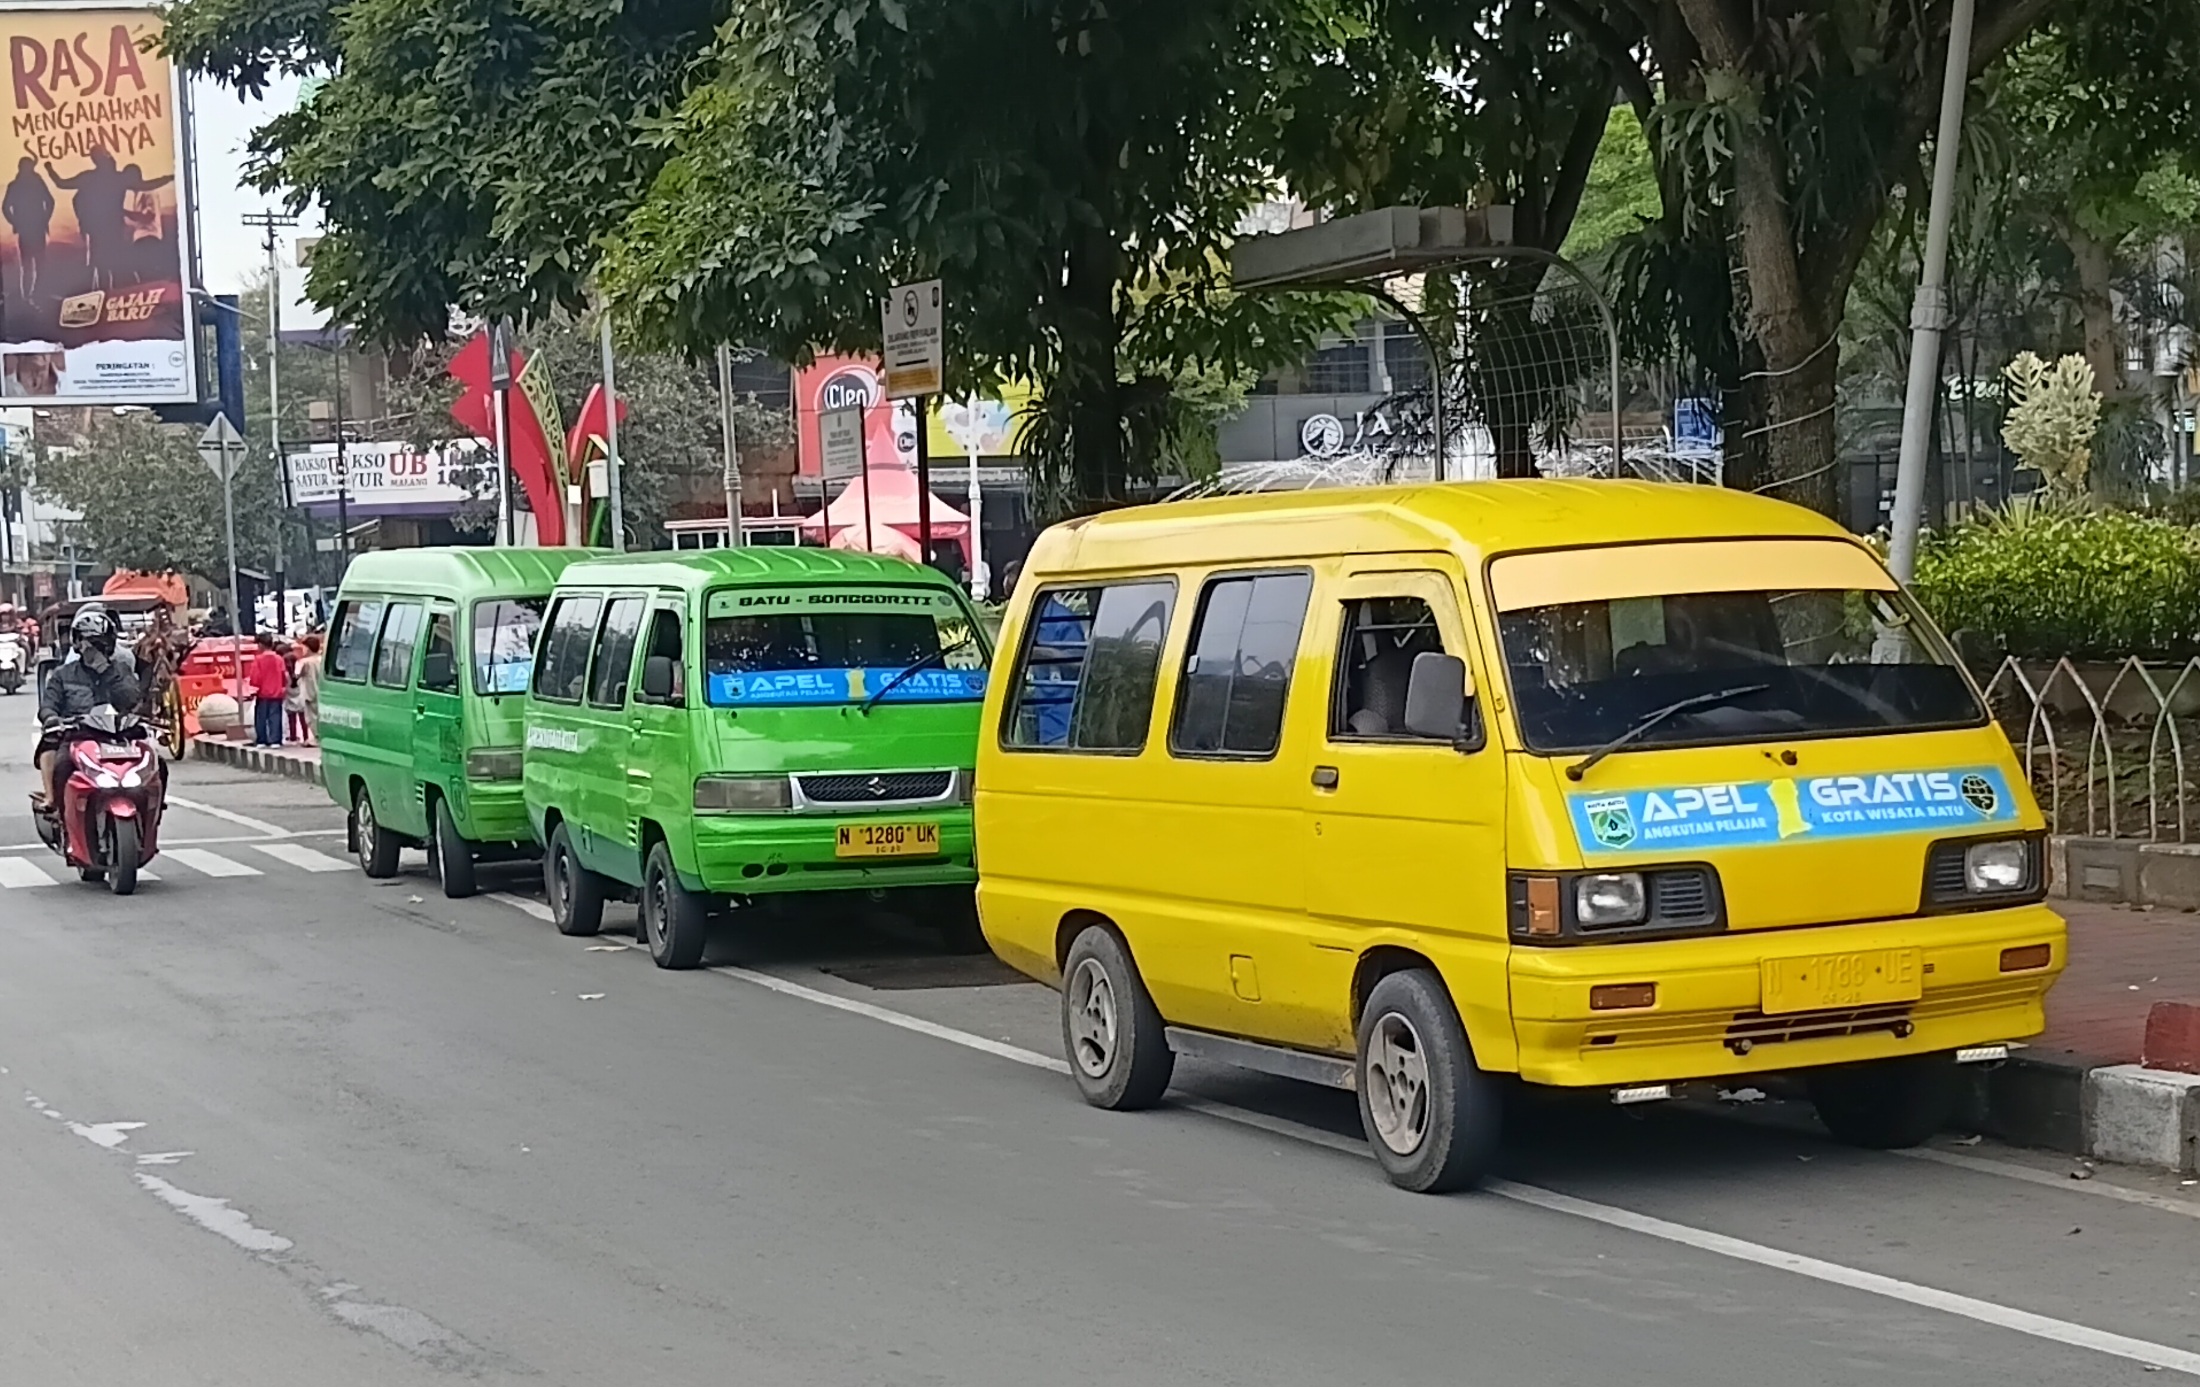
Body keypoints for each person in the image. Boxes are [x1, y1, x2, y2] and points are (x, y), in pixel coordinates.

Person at [35, 608, 141, 807]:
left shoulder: (121, 670)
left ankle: (149, 812)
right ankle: (58, 807)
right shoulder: (62, 674)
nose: (95, 649)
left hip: (118, 737)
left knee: (157, 765)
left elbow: (131, 699)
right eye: (91, 643)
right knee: (62, 765)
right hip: (77, 736)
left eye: (101, 644)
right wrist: (52, 719)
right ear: (78, 643)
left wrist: (106, 671)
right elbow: (48, 705)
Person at [2, 157, 52, 304]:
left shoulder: (17, 185)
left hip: (27, 229)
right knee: (35, 264)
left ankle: (30, 296)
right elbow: (50, 201)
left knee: (29, 264)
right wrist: (44, 219)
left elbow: (5, 207)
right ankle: (33, 295)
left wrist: (16, 222)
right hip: (34, 228)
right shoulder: (35, 183)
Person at [248, 631, 288, 747]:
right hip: (277, 692)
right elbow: (284, 675)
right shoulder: (279, 659)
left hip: (263, 693)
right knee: (275, 716)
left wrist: (254, 687)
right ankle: (275, 740)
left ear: (261, 645)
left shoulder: (258, 659)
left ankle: (262, 740)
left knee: (261, 717)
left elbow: (255, 678)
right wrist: (283, 687)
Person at [289, 632, 322, 746]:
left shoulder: (305, 662)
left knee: (311, 717)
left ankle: (316, 738)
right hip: (321, 691)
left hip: (309, 692)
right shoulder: (321, 659)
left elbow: (296, 674)